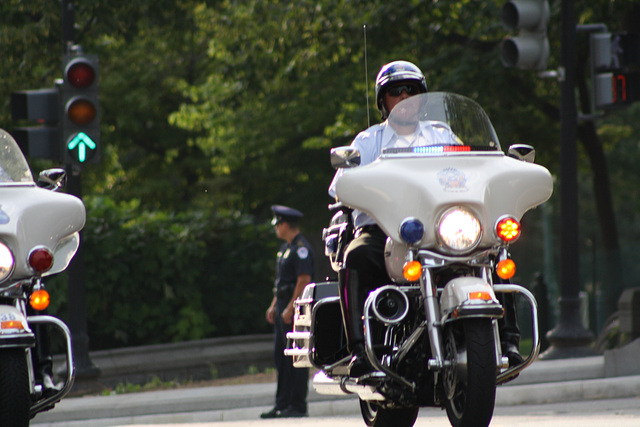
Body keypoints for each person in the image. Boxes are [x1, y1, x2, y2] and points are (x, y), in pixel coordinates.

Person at [328, 60, 523, 377]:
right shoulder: (368, 141)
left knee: (494, 249)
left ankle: (509, 341)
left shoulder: (442, 134)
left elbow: (474, 170)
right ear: (383, 101)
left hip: (440, 228)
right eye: (395, 92)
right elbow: (340, 187)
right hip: (385, 229)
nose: (404, 98)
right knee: (357, 256)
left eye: (412, 92)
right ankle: (361, 351)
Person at [260, 205, 314, 419]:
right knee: (281, 358)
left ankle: (297, 405)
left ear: (285, 224)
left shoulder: (301, 248)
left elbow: (303, 280)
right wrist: (275, 305)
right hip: (284, 304)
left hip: (295, 307)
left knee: (296, 359)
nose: (276, 228)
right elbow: (281, 283)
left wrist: (291, 307)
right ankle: (281, 403)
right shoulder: (286, 248)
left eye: (277, 224)